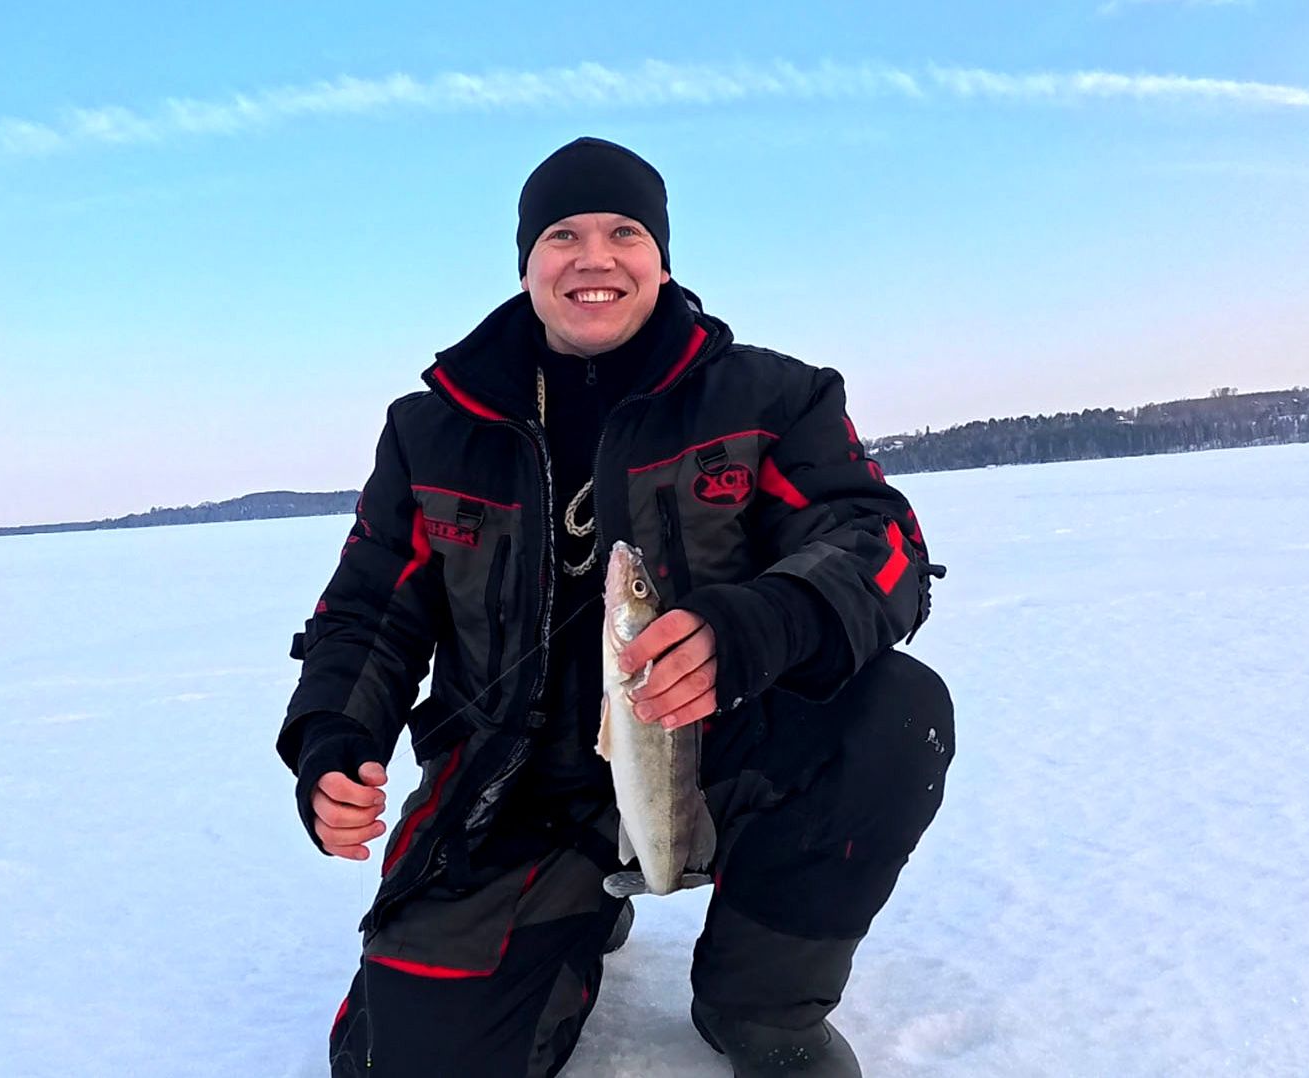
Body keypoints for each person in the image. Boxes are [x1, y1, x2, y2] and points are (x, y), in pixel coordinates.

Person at [277, 136, 954, 1078]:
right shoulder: (431, 429)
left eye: (623, 231)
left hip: (718, 752)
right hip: (513, 792)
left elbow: (881, 548)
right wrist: (330, 739)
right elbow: (369, 608)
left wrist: (758, 626)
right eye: (562, 234)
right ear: (526, 263)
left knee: (895, 714)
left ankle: (761, 1004)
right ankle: (571, 914)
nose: (594, 257)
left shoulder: (772, 396)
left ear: (662, 258)